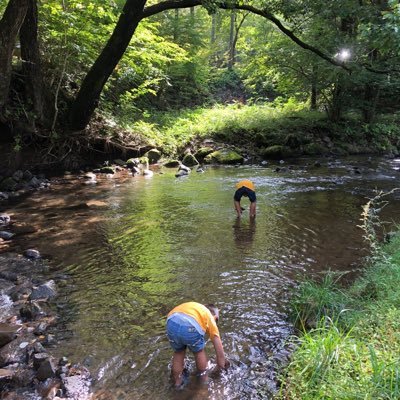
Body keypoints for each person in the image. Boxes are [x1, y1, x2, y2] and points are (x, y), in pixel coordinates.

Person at [166, 301, 228, 388]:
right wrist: (221, 366)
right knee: (199, 352)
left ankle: (177, 382)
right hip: (190, 325)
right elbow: (219, 348)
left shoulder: (196, 309)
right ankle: (203, 380)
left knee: (178, 352)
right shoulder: (210, 318)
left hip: (171, 320)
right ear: (216, 317)